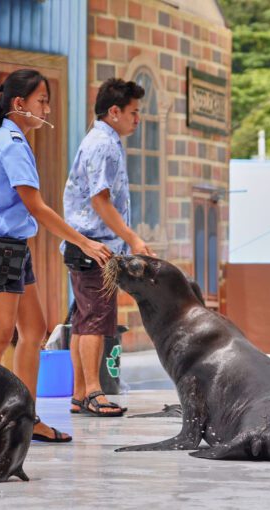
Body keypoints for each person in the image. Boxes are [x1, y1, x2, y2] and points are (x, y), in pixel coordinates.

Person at [0, 69, 112, 442]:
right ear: (20, 104)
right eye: (42, 101)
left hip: (14, 249)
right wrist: (83, 242)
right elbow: (36, 207)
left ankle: (24, 417)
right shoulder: (11, 143)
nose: (47, 110)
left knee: (33, 331)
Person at [62, 77, 155, 418]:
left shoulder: (104, 140)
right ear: (114, 111)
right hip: (94, 246)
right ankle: (92, 392)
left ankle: (78, 393)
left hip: (88, 244)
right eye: (133, 112)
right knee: (96, 322)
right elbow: (100, 200)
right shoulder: (103, 144)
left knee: (84, 320)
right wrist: (132, 239)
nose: (137, 119)